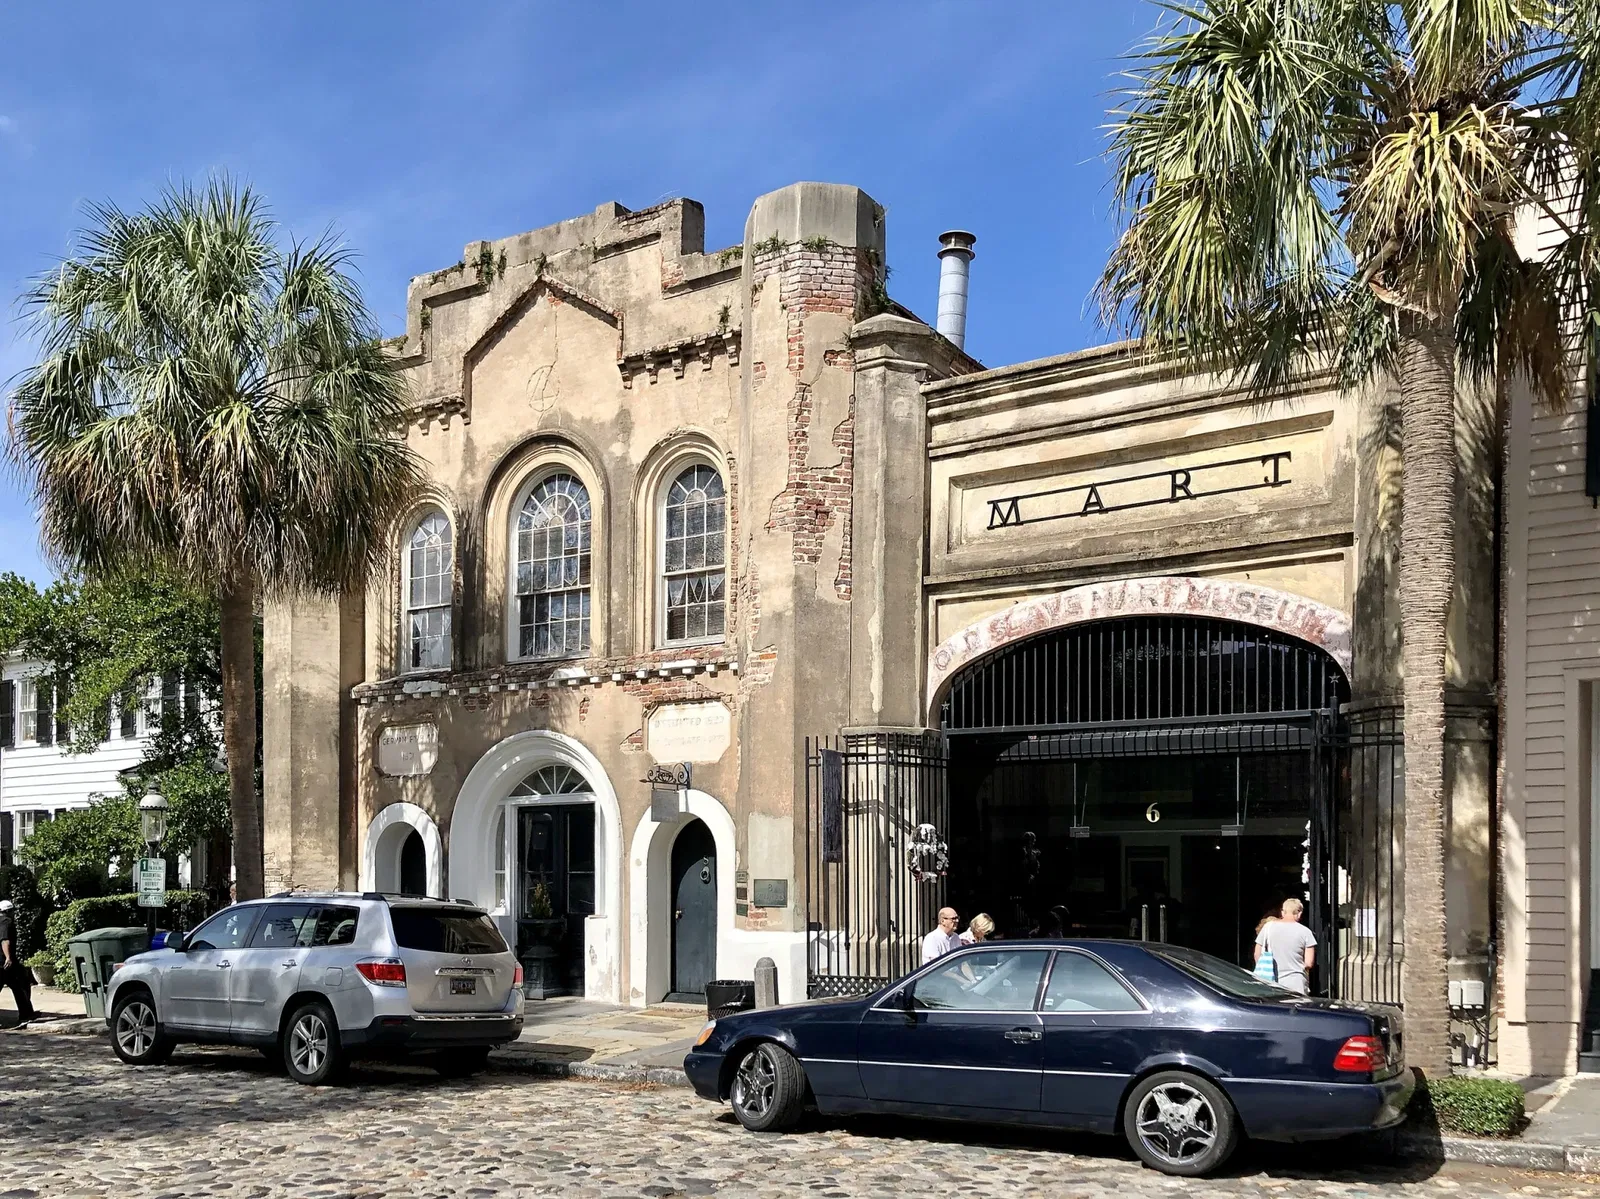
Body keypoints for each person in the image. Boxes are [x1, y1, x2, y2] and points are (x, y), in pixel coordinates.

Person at [1254, 897, 1317, 994]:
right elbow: (1309, 963)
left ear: (1283, 912)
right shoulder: (1306, 932)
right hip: (1296, 982)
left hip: (1271, 981)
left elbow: (1257, 953)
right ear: (1299, 913)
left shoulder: (1268, 928)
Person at [0, 899, 36, 1026]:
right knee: (21, 985)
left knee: (20, 984)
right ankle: (26, 1014)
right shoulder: (6, 922)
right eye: (13, 911)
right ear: (8, 911)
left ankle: (27, 1013)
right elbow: (5, 940)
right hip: (5, 963)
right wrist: (8, 957)